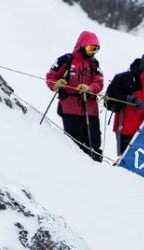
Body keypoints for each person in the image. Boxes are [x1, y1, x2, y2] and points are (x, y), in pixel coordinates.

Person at [45, 31, 105, 161]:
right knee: (73, 145)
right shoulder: (65, 60)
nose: (93, 52)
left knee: (94, 144)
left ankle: (95, 167)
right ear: (82, 46)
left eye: (95, 49)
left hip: (91, 111)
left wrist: (89, 88)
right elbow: (51, 77)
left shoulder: (94, 64)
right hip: (69, 109)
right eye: (90, 48)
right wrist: (56, 85)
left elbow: (99, 82)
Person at [106, 51, 144, 157]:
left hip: (141, 129)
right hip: (125, 129)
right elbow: (110, 98)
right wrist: (130, 100)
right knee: (124, 160)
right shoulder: (127, 78)